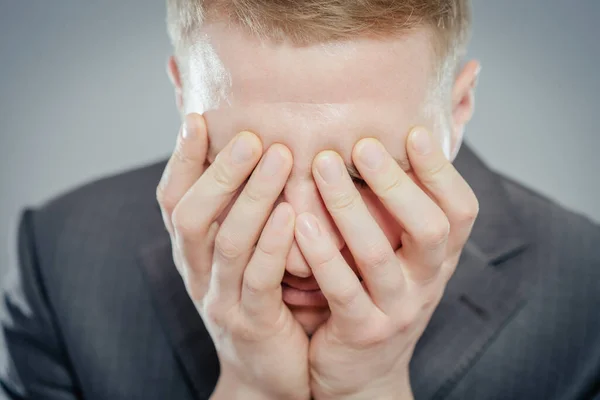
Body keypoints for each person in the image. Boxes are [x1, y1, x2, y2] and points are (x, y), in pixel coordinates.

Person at [1, 0, 599, 399]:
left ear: (459, 108)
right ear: (183, 92)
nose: (298, 258)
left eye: (363, 177)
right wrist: (250, 387)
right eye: (251, 166)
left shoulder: (588, 294)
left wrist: (373, 388)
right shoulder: (62, 259)